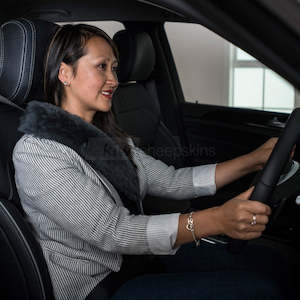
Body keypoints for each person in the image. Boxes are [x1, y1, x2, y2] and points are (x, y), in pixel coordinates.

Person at [12, 23, 290, 300]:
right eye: (102, 67)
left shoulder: (104, 137)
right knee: (262, 290)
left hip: (141, 260)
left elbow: (172, 181)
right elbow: (115, 232)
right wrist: (216, 219)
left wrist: (253, 160)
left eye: (115, 68)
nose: (114, 79)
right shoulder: (39, 152)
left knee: (274, 265)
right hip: (98, 287)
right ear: (65, 73)